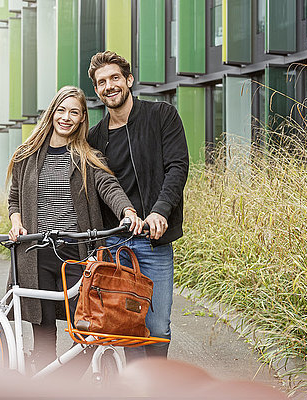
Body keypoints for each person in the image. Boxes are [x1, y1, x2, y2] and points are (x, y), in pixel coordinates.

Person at [7, 85, 144, 372]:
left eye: (74, 112)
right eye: (61, 110)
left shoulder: (87, 158)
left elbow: (109, 186)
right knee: (43, 336)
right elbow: (14, 197)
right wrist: (16, 222)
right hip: (35, 251)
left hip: (76, 254)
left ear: (82, 119)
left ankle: (60, 385)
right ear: (52, 113)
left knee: (89, 331)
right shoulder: (27, 155)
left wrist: (127, 210)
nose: (66, 117)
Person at [87, 51, 189, 360]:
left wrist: (160, 210)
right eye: (102, 82)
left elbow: (177, 167)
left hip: (155, 243)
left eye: (115, 78)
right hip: (117, 243)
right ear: (96, 90)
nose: (109, 86)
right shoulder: (95, 137)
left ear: (129, 80)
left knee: (158, 327)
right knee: (125, 325)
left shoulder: (162, 115)